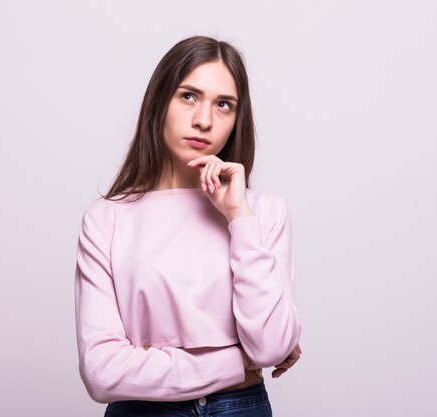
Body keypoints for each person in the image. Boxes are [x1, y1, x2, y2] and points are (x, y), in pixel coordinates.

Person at [74, 35, 302, 417]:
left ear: (236, 119)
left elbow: (271, 347)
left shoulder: (261, 212)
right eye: (189, 96)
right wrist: (233, 362)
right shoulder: (107, 218)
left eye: (223, 104)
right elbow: (102, 372)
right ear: (160, 101)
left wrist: (238, 217)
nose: (204, 120)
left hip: (240, 409)